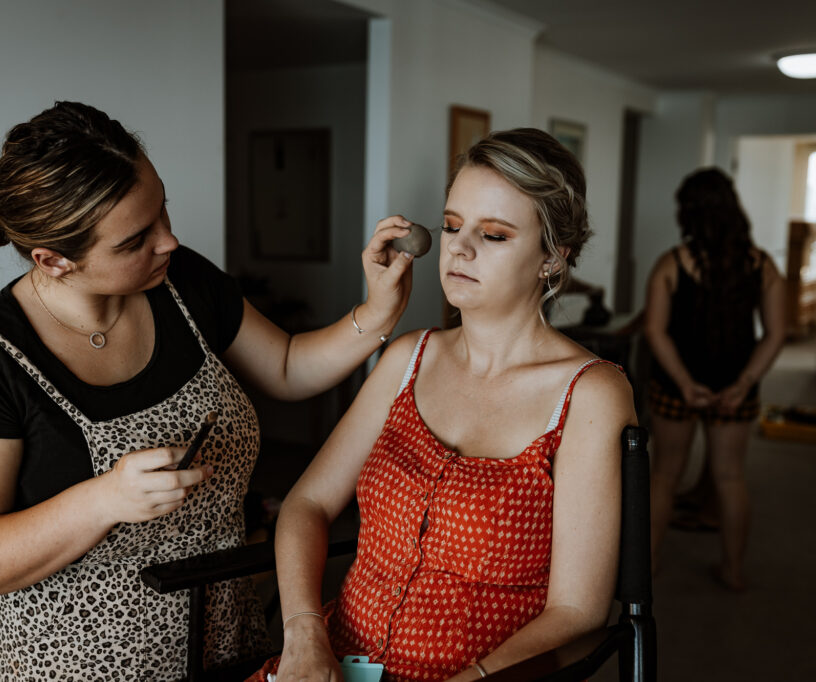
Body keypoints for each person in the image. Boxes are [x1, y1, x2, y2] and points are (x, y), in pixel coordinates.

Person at [0, 101, 416, 681]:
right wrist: (103, 500)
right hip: (76, 667)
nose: (169, 242)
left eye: (163, 212)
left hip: (225, 637)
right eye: (134, 241)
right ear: (53, 260)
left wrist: (378, 312)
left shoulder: (181, 283)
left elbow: (286, 366)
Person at [252, 128, 637, 682]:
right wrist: (306, 637)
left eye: (496, 235)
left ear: (553, 256)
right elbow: (306, 503)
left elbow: (578, 612)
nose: (458, 248)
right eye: (453, 225)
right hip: (333, 662)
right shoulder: (408, 358)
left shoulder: (588, 393)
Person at [644, 167, 786, 591]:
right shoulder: (762, 265)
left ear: (686, 212)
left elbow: (654, 329)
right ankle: (733, 570)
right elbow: (776, 333)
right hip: (733, 388)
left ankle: (646, 569)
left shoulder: (672, 263)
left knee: (665, 476)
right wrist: (744, 383)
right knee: (730, 477)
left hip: (675, 386)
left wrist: (686, 383)